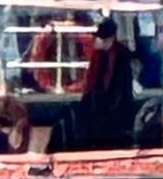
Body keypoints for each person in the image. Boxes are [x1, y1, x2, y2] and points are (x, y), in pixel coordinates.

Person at [52, 17, 135, 152]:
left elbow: (122, 88)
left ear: (109, 39)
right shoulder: (100, 55)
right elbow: (93, 82)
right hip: (100, 105)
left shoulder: (121, 55)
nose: (96, 40)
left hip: (114, 108)